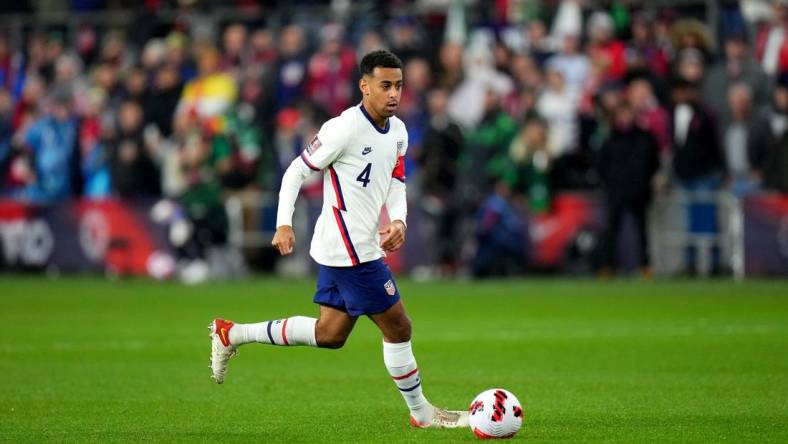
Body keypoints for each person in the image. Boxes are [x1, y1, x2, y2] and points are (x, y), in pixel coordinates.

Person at [208, 50, 468, 429]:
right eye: (385, 86)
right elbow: (295, 172)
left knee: (329, 334)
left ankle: (231, 334)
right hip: (351, 250)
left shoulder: (398, 131)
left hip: (352, 245)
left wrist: (400, 219)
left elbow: (396, 180)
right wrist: (283, 223)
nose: (394, 93)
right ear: (364, 87)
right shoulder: (342, 129)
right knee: (399, 327)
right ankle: (422, 414)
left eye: (398, 85)